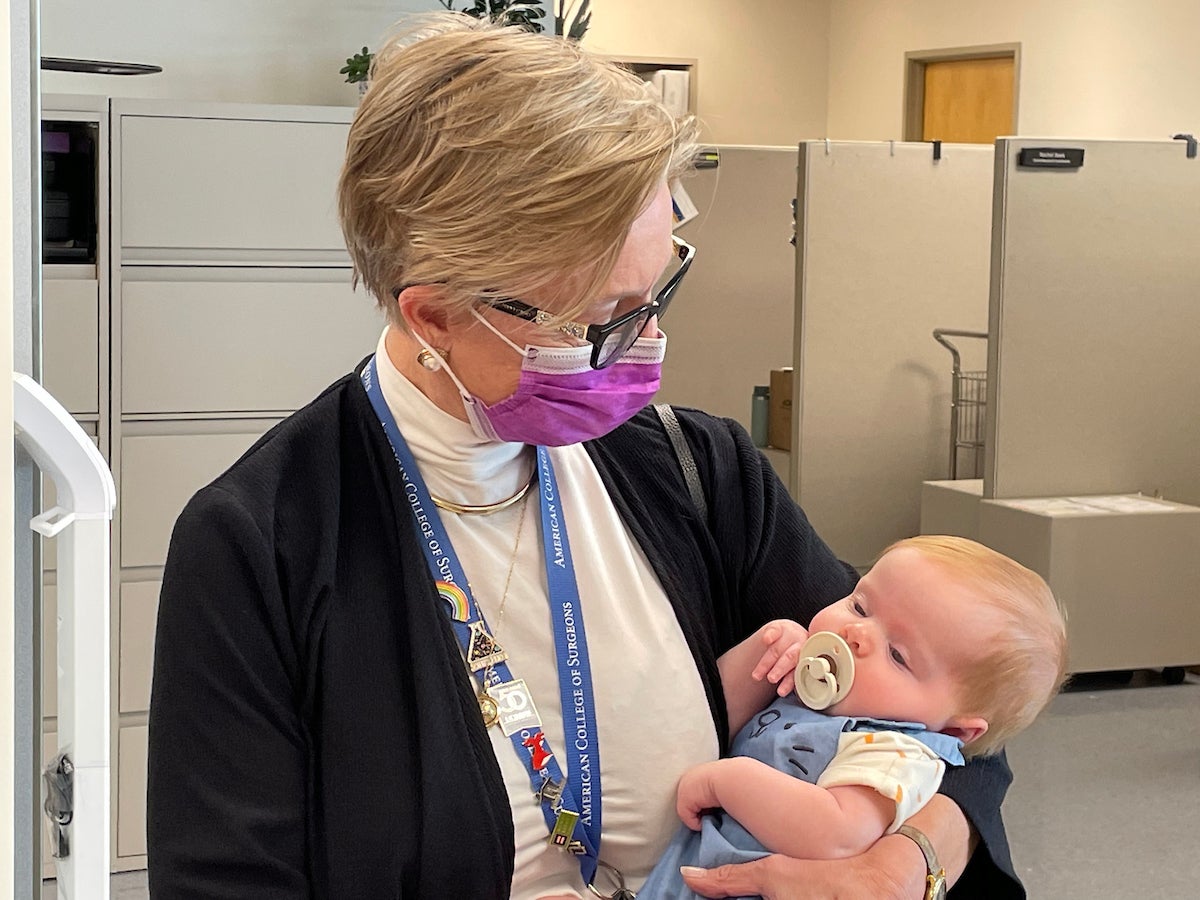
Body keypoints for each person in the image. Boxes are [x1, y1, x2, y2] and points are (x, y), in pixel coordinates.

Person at [147, 13, 1025, 900]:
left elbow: (953, 723)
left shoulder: (701, 472)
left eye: (656, 294)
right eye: (599, 320)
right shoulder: (262, 545)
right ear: (435, 317)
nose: (647, 342)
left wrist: (902, 865)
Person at [638, 536, 1068, 899]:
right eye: (860, 606)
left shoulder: (895, 752)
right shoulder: (813, 697)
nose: (855, 634)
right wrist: (763, 654)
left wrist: (725, 781)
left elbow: (835, 830)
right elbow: (707, 719)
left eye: (898, 655)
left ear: (953, 729)